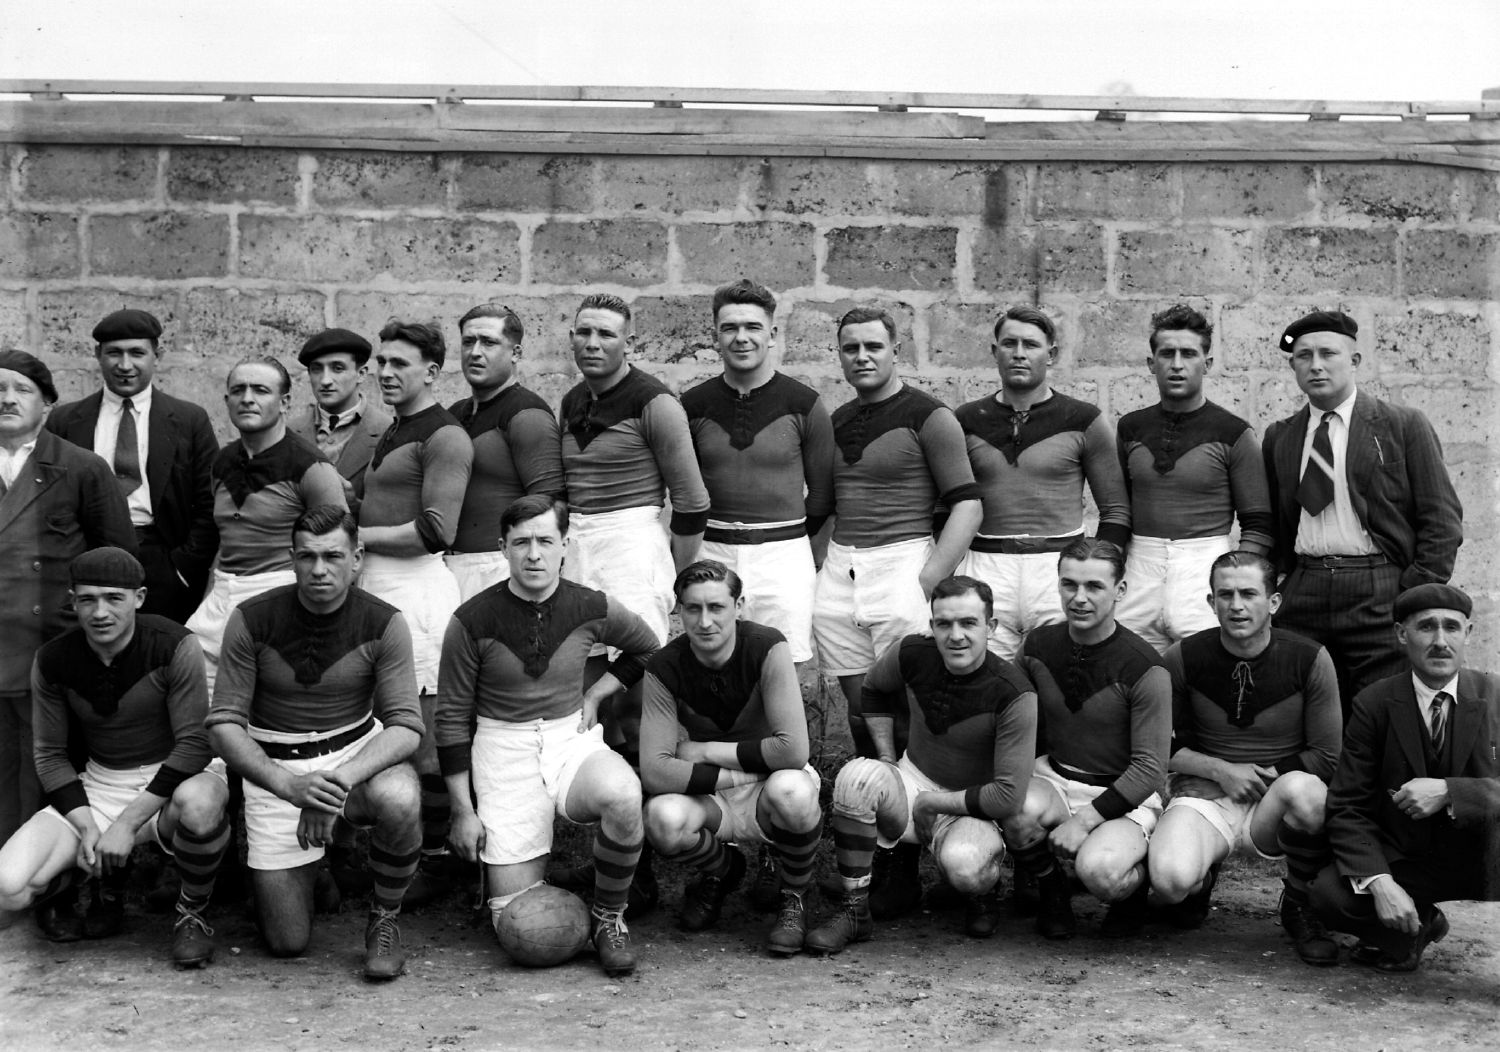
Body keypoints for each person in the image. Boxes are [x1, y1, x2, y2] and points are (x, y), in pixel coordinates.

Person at [436, 495, 660, 977]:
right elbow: (452, 717)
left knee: (623, 795)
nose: (533, 554)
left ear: (564, 545)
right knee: (517, 927)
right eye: (521, 542)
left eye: (544, 541)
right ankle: (546, 902)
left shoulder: (591, 604)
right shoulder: (470, 620)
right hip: (501, 750)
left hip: (569, 738)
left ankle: (608, 916)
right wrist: (463, 809)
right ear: (503, 548)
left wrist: (597, 693)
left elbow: (647, 647)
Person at [207, 506, 424, 981]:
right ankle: (309, 868)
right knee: (288, 943)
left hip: (352, 756)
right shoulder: (251, 618)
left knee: (400, 796)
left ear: (358, 557)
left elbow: (406, 726)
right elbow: (223, 724)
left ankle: (384, 917)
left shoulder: (384, 622)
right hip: (277, 764)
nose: (319, 569)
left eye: (332, 556)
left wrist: (337, 784)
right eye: (307, 556)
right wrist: (289, 788)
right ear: (292, 558)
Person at [0, 547, 228, 965]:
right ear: (72, 600)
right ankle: (94, 881)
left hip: (174, 779)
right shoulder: (53, 659)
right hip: (102, 783)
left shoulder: (174, 644)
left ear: (139, 598)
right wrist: (87, 826)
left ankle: (192, 911)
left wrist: (127, 823)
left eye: (113, 598)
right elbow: (50, 754)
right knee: (8, 886)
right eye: (87, 599)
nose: (99, 612)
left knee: (200, 805)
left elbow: (195, 744)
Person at [805, 576, 1036, 954]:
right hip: (913, 779)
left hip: (972, 804)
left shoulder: (1014, 693)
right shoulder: (912, 652)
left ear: (991, 628)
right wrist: (885, 759)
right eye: (943, 623)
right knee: (856, 778)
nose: (955, 635)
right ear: (931, 625)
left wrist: (935, 803)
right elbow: (874, 690)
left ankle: (983, 893)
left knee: (966, 865)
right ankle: (855, 910)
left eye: (968, 623)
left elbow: (1007, 796)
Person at [1262, 310, 1462, 716]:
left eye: (1327, 354)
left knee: (1381, 710)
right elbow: (1274, 521)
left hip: (1379, 588)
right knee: (1306, 709)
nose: (1316, 365)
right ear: (1293, 366)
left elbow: (1442, 520)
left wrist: (1408, 592)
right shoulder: (1281, 436)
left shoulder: (1401, 425)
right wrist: (1283, 582)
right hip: (1306, 588)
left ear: (1353, 361)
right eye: (1304, 356)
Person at [1148, 551, 1342, 964]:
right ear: (1210, 602)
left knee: (1309, 794)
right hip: (1207, 798)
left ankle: (1300, 900)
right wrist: (1219, 770)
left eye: (1249, 594)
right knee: (1168, 881)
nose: (1236, 605)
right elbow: (1155, 746)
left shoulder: (1309, 658)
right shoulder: (1183, 656)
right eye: (1225, 594)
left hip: (1276, 803)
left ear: (1273, 602)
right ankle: (1200, 879)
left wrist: (1249, 778)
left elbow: (1327, 756)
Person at [813, 306, 982, 757]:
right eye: (851, 348)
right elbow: (824, 507)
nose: (862, 357)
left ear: (896, 351)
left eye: (873, 346)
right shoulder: (838, 419)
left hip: (902, 562)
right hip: (840, 571)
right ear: (840, 355)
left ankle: (918, 804)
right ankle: (871, 801)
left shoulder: (929, 415)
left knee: (909, 705)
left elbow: (968, 505)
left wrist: (928, 580)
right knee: (861, 706)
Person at [1310, 584, 1500, 973]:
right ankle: (1412, 929)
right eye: (1426, 627)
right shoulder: (1375, 703)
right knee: (1331, 894)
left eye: (1452, 627)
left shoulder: (1495, 696)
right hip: (1409, 858)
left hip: (1485, 855)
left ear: (1469, 633)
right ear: (1402, 634)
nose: (1440, 641)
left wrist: (1451, 791)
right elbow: (1347, 806)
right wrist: (1380, 882)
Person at [639, 560, 822, 955]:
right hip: (720, 792)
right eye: (693, 608)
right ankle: (723, 869)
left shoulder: (767, 646)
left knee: (794, 791)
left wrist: (703, 751)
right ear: (679, 610)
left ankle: (794, 897)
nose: (705, 621)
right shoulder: (663, 666)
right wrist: (741, 774)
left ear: (739, 606)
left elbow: (792, 750)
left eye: (717, 607)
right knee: (662, 818)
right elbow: (655, 771)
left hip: (771, 786)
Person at [356, 319, 473, 904]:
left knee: (423, 736)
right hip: (379, 587)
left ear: (431, 371)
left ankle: (435, 863)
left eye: (399, 364)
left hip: (418, 592)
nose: (384, 372)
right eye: (380, 362)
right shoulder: (397, 428)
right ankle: (398, 851)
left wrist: (355, 535)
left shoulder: (446, 435)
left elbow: (435, 529)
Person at [0, 350, 136, 847]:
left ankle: (56, 885)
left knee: (52, 766)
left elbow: (118, 560)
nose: (7, 399)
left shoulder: (81, 468)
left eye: (22, 390)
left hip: (54, 648)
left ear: (48, 404)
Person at [1001, 538, 1169, 939]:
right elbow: (1014, 716)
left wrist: (1086, 821)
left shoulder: (1145, 666)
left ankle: (1132, 890)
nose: (1079, 598)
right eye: (1069, 585)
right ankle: (1052, 888)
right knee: (1013, 805)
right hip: (1055, 778)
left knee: (1101, 873)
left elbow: (1149, 769)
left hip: (1121, 795)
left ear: (1120, 590)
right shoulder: (1038, 645)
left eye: (1094, 586)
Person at [957, 306, 1130, 660]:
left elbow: (1115, 509)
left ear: (1050, 354)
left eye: (1031, 345)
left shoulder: (1084, 419)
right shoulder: (966, 419)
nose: (1019, 353)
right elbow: (946, 504)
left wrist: (1100, 570)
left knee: (1058, 682)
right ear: (995, 352)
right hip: (985, 563)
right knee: (987, 684)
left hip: (1058, 566)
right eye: (1010, 343)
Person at [681, 280, 834, 666]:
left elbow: (823, 494)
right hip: (712, 550)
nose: (741, 338)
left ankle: (781, 731)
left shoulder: (805, 404)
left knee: (782, 665)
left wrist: (801, 552)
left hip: (783, 554)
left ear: (772, 334)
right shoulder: (692, 405)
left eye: (752, 327)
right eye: (730, 328)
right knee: (710, 663)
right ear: (716, 335)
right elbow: (681, 490)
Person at [1115, 305, 1273, 651]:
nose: (1176, 364)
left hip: (1204, 565)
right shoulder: (1130, 428)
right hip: (1140, 565)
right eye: (1166, 353)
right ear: (1150, 363)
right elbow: (1118, 512)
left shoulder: (1234, 432)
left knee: (1203, 678)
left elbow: (1259, 524)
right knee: (1133, 673)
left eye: (1188, 353)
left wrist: (1233, 581)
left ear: (1208, 363)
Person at [47, 308, 218, 624]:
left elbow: (209, 502)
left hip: (162, 559)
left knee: (159, 656)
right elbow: (50, 500)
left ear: (157, 355)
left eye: (137, 353)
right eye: (114, 353)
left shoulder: (189, 421)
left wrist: (182, 569)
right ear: (98, 355)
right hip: (88, 555)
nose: (125, 365)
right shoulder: (66, 421)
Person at [186, 357, 346, 690]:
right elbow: (224, 543)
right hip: (221, 599)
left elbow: (340, 552)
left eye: (260, 390)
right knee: (205, 713)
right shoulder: (222, 462)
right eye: (238, 390)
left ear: (284, 402)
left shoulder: (311, 467)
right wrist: (208, 600)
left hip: (280, 600)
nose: (247, 398)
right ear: (227, 400)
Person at [444, 303, 564, 601]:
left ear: (516, 353)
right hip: (448, 568)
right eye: (468, 342)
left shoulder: (526, 414)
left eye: (489, 342)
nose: (475, 352)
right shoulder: (455, 414)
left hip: (500, 568)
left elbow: (550, 503)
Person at [288, 328, 393, 496]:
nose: (325, 380)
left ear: (361, 374)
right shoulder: (289, 432)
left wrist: (355, 505)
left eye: (337, 368)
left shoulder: (388, 432)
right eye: (316, 369)